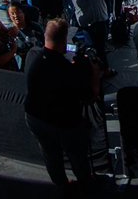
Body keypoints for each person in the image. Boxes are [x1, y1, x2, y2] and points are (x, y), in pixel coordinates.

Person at [23, 19, 101, 192]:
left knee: (50, 154)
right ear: (65, 40)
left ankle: (62, 185)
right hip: (64, 123)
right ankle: (85, 184)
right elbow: (90, 96)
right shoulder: (68, 70)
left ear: (45, 36)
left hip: (35, 117)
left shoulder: (32, 56)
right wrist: (94, 74)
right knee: (77, 155)